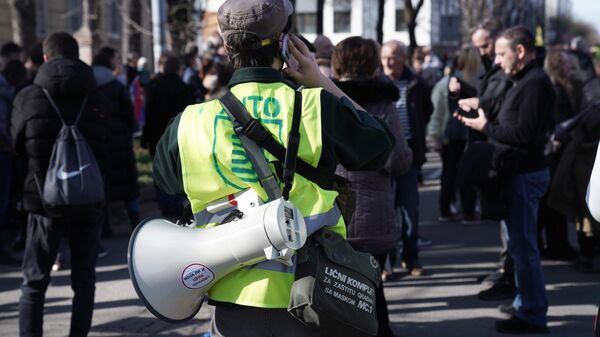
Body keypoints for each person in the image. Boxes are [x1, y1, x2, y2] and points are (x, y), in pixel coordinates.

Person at [152, 0, 395, 335]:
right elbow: (381, 144)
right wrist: (321, 81)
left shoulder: (191, 122)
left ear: (225, 46)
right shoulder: (316, 107)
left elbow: (166, 182)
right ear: (284, 40)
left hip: (230, 297)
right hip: (309, 296)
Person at [456, 26, 554, 334]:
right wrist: (481, 105)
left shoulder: (535, 84)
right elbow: (508, 118)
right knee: (519, 248)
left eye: (501, 53)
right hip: (517, 174)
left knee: (524, 249)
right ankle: (525, 305)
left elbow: (522, 135)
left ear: (520, 51)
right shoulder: (523, 80)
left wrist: (486, 127)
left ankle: (532, 314)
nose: (497, 61)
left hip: (525, 174)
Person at [11, 32, 109, 337]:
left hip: (42, 199)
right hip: (87, 198)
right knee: (84, 279)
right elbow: (108, 145)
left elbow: (16, 145)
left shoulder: (28, 96)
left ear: (44, 57)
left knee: (34, 281)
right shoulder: (97, 95)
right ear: (78, 56)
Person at [332, 36, 412, 337]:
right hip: (374, 212)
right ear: (372, 63)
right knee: (372, 288)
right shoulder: (384, 104)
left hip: (332, 212)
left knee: (338, 291)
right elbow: (400, 162)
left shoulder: (324, 100)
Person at [380, 40, 433, 276]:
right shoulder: (376, 84)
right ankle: (387, 261)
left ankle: (411, 258)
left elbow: (426, 111)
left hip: (409, 151)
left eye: (393, 57)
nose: (388, 62)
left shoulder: (416, 83)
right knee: (386, 211)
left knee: (410, 210)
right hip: (382, 154)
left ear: (403, 58)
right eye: (384, 58)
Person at [92, 47, 140, 231]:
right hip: (120, 139)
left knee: (104, 183)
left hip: (99, 140)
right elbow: (129, 115)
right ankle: (134, 219)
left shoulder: (88, 88)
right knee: (128, 183)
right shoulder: (117, 87)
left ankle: (105, 226)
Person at [142, 54, 194, 219]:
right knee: (179, 168)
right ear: (178, 69)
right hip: (179, 135)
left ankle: (165, 204)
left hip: (157, 135)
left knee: (160, 169)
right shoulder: (184, 88)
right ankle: (180, 203)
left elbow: (148, 113)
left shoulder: (154, 86)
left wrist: (145, 136)